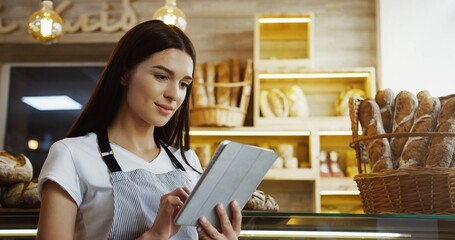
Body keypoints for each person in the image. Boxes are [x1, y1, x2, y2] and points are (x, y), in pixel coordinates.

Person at [37, 20, 242, 240]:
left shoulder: (187, 161)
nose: (174, 94)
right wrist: (153, 236)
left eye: (184, 83)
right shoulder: (71, 155)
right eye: (162, 76)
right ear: (124, 74)